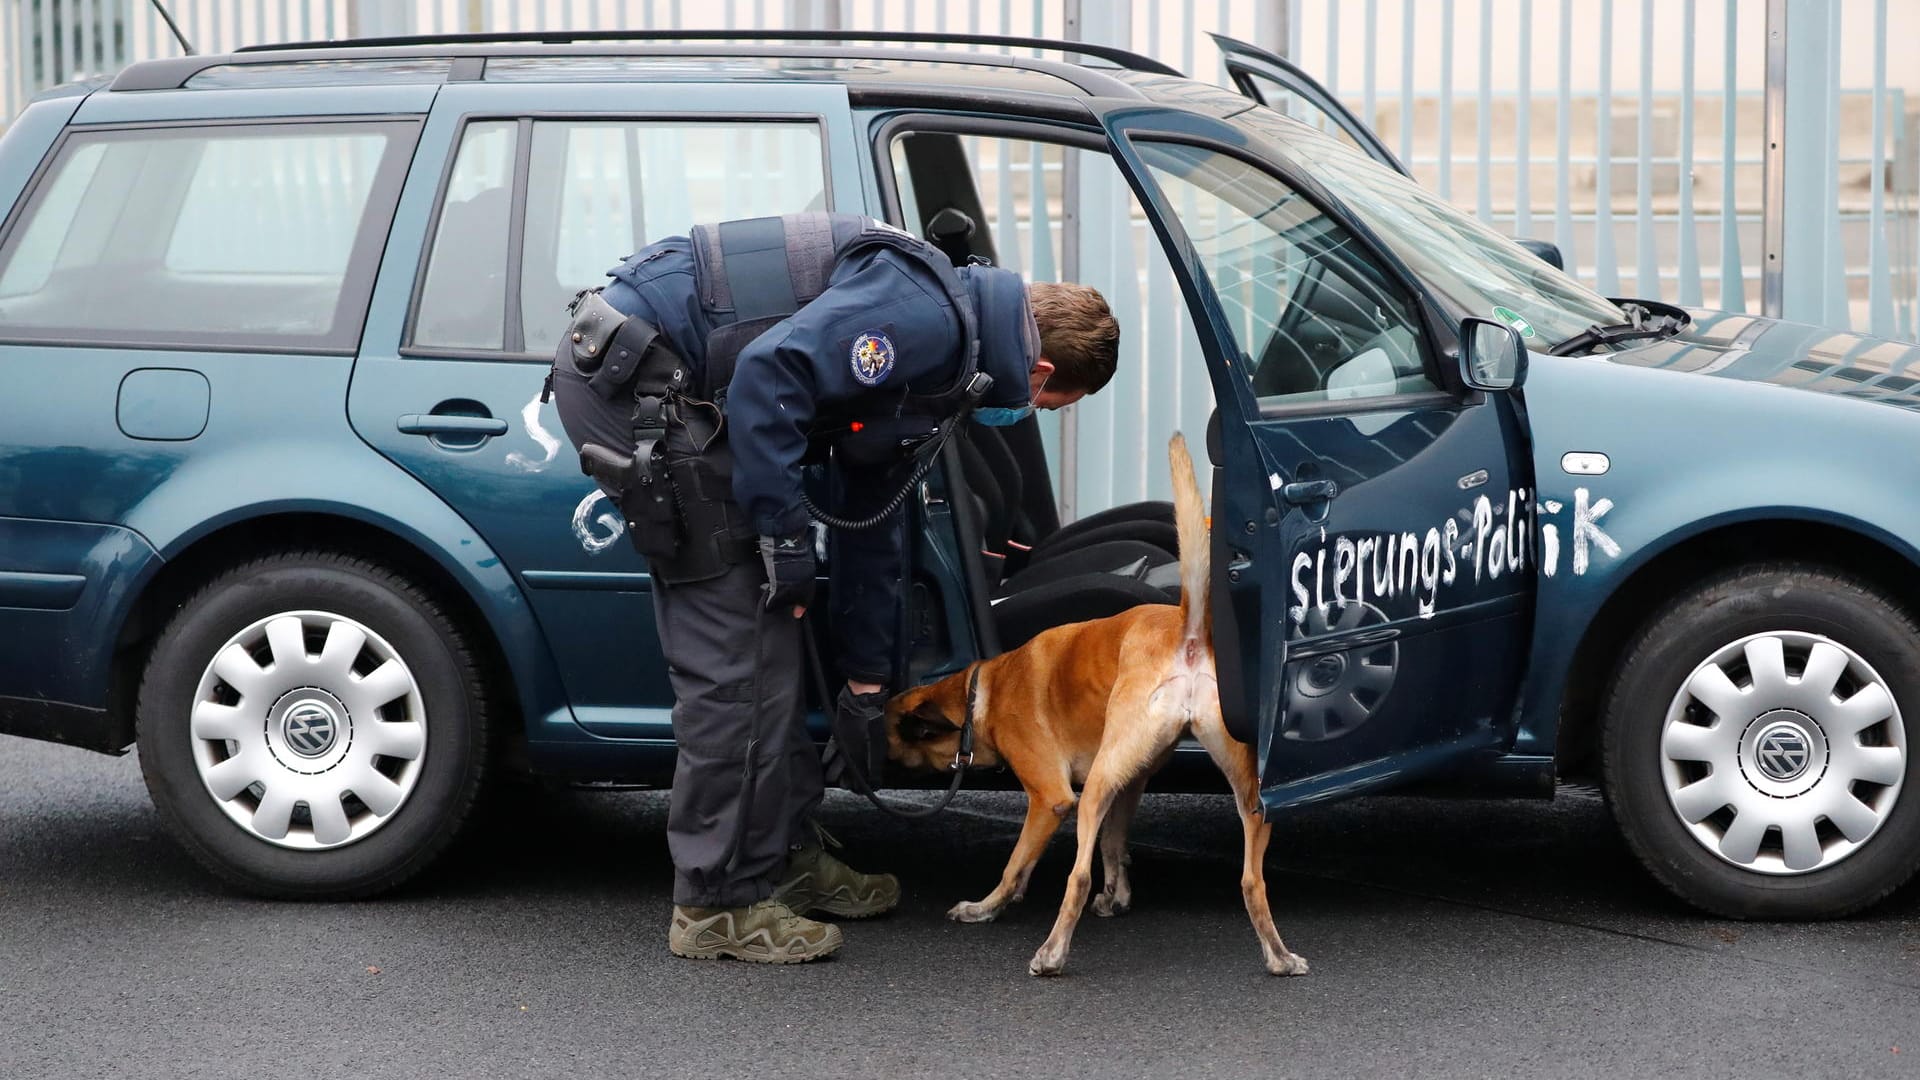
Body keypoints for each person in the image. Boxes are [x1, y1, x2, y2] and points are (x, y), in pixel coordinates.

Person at [546, 212, 1118, 965]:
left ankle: (779, 853)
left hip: (688, 389)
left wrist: (866, 678)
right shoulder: (922, 318)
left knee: (779, 635)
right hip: (637, 385)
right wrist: (782, 535)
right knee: (738, 662)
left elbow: (869, 509)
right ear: (1040, 374)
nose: (1027, 416)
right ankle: (718, 904)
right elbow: (768, 373)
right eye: (1048, 408)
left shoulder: (951, 348)